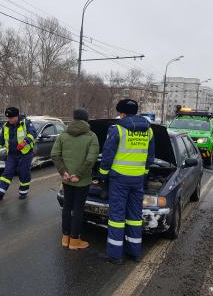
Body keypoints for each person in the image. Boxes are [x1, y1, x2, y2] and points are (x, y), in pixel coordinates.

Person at [98, 99, 155, 264]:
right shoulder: (148, 131)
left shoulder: (117, 129)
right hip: (137, 179)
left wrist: (103, 175)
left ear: (122, 113)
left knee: (117, 216)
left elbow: (107, 155)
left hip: (119, 179)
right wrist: (143, 174)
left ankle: (115, 255)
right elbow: (150, 157)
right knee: (135, 216)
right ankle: (134, 252)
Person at [51, 108, 99, 250]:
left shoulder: (63, 135)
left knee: (67, 206)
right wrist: (78, 174)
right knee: (78, 209)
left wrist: (63, 172)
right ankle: (75, 240)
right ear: (86, 119)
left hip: (66, 179)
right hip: (82, 180)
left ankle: (65, 238)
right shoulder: (91, 136)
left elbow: (55, 154)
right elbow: (91, 159)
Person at [0, 107, 37, 200]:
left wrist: (25, 142)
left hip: (25, 153)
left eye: (11, 117)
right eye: (8, 118)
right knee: (7, 172)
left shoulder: (25, 123)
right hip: (12, 154)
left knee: (23, 173)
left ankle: (23, 192)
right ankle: (0, 191)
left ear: (17, 116)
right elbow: (1, 140)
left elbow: (33, 133)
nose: (9, 119)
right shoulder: (6, 126)